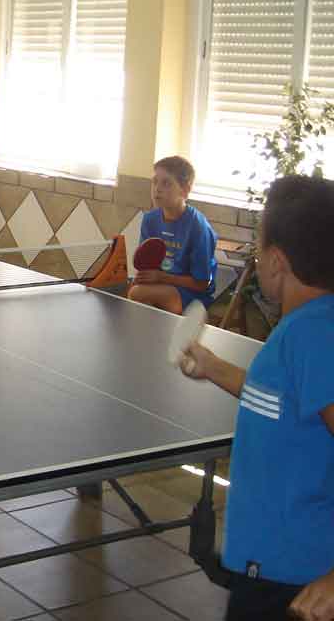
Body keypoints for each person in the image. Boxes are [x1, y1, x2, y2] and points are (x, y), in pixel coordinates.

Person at [179, 175, 334, 621]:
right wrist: (213, 367)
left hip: (295, 576)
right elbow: (282, 399)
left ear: (276, 262)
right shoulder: (302, 328)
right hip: (271, 564)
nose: (256, 257)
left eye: (259, 247)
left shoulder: (315, 336)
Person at [127, 156, 217, 314]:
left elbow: (202, 283)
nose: (157, 189)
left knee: (138, 293)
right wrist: (145, 277)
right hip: (161, 283)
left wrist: (161, 277)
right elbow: (147, 265)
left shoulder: (199, 227)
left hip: (192, 294)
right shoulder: (150, 220)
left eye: (166, 183)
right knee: (136, 290)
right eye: (154, 182)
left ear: (185, 190)